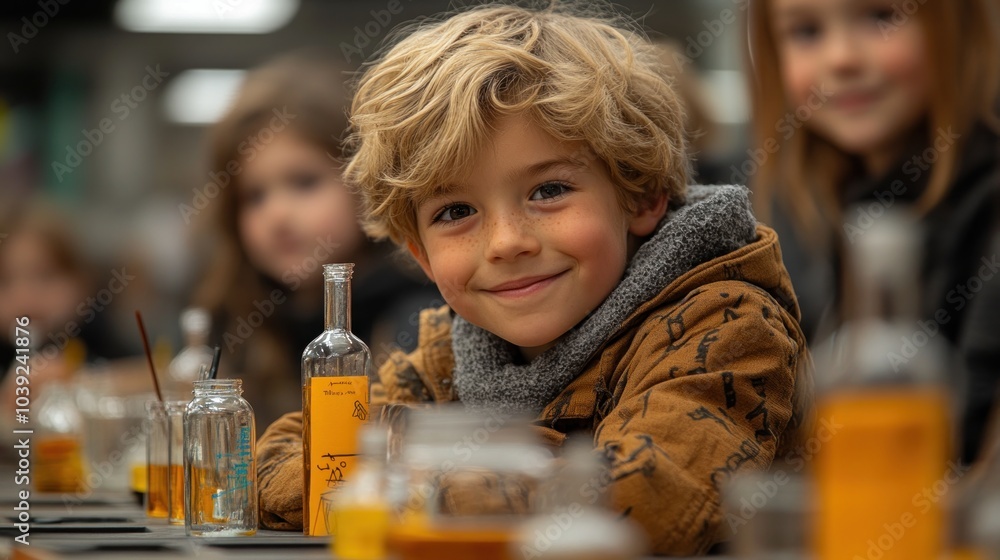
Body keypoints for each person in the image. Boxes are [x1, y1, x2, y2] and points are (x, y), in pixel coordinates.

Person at [255, 4, 813, 554]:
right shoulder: (450, 353)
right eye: (455, 212)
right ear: (422, 256)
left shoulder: (731, 324)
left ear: (641, 194)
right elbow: (279, 457)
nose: (505, 242)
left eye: (548, 191)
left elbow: (643, 504)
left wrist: (408, 460)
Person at [748, 0, 1000, 463]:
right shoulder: (780, 218)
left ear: (958, 25)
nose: (841, 58)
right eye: (805, 32)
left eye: (882, 17)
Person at [193, 50, 440, 432]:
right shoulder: (240, 322)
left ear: (367, 180)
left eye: (304, 182)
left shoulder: (421, 317)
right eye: (254, 196)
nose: (277, 215)